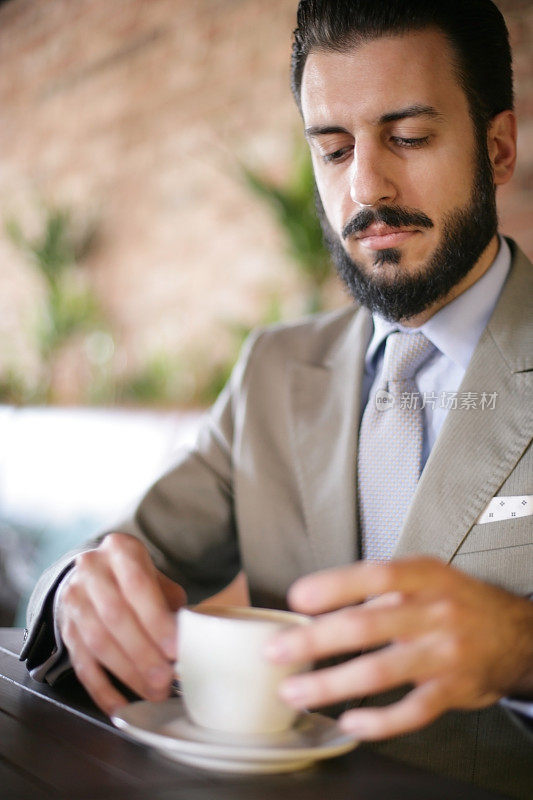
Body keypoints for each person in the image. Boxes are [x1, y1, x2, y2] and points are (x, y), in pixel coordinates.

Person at [21, 1, 532, 796]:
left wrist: (522, 647)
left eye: (408, 137)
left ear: (496, 148)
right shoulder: (270, 370)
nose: (365, 185)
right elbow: (123, 555)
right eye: (332, 149)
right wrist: (73, 593)